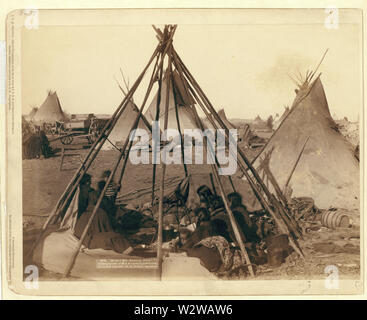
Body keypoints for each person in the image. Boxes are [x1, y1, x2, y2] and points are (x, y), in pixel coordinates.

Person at [74, 176, 133, 255]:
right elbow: (108, 207)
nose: (90, 183)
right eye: (89, 181)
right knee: (112, 234)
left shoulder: (79, 193)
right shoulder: (92, 194)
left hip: (83, 220)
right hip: (95, 218)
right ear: (87, 182)